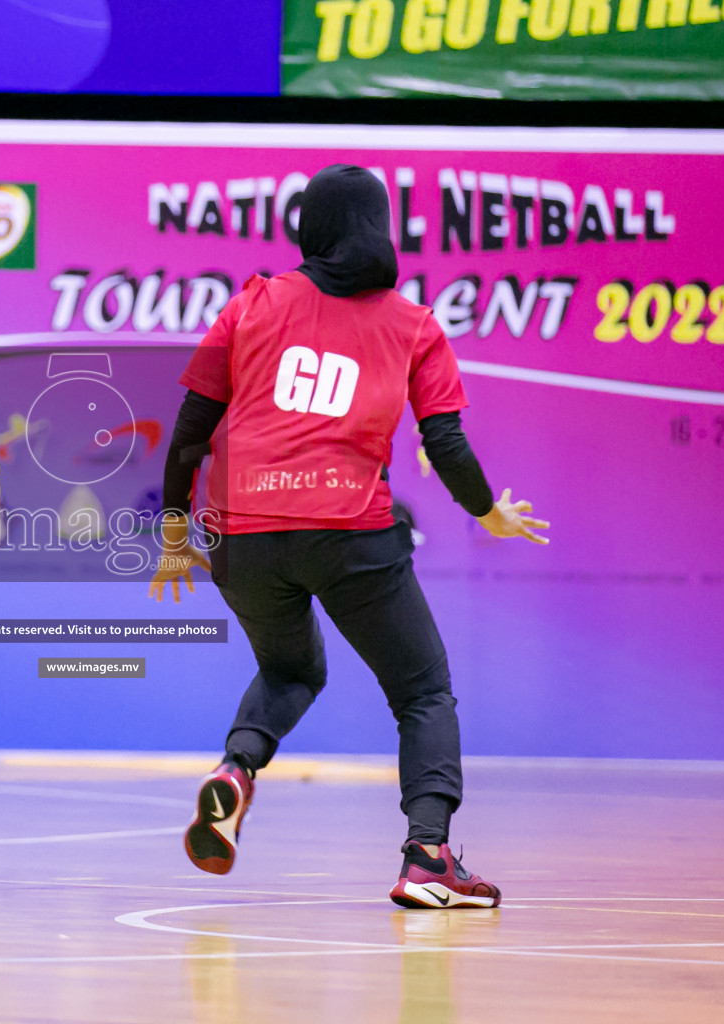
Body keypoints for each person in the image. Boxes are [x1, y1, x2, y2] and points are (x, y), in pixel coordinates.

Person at [150, 164, 548, 909]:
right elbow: (449, 445)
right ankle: (428, 858)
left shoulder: (253, 303)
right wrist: (488, 512)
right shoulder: (414, 324)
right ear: (379, 227)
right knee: (423, 690)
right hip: (350, 536)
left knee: (290, 670)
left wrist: (176, 528)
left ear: (311, 228)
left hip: (243, 536)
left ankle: (236, 769)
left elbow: (188, 433)